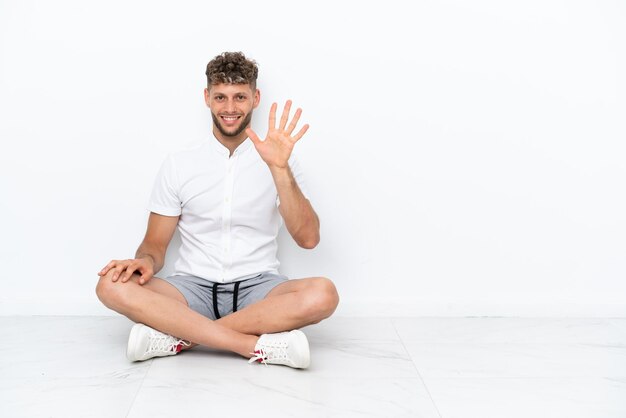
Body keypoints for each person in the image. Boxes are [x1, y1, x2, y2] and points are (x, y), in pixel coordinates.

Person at [96, 51, 339, 369]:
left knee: (324, 293)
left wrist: (279, 168)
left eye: (240, 97)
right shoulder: (179, 162)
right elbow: (155, 245)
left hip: (259, 288)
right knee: (110, 284)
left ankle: (180, 339)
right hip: (190, 288)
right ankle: (250, 345)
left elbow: (308, 238)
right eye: (221, 97)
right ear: (207, 97)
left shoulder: (281, 161)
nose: (230, 108)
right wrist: (142, 262)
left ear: (255, 98)